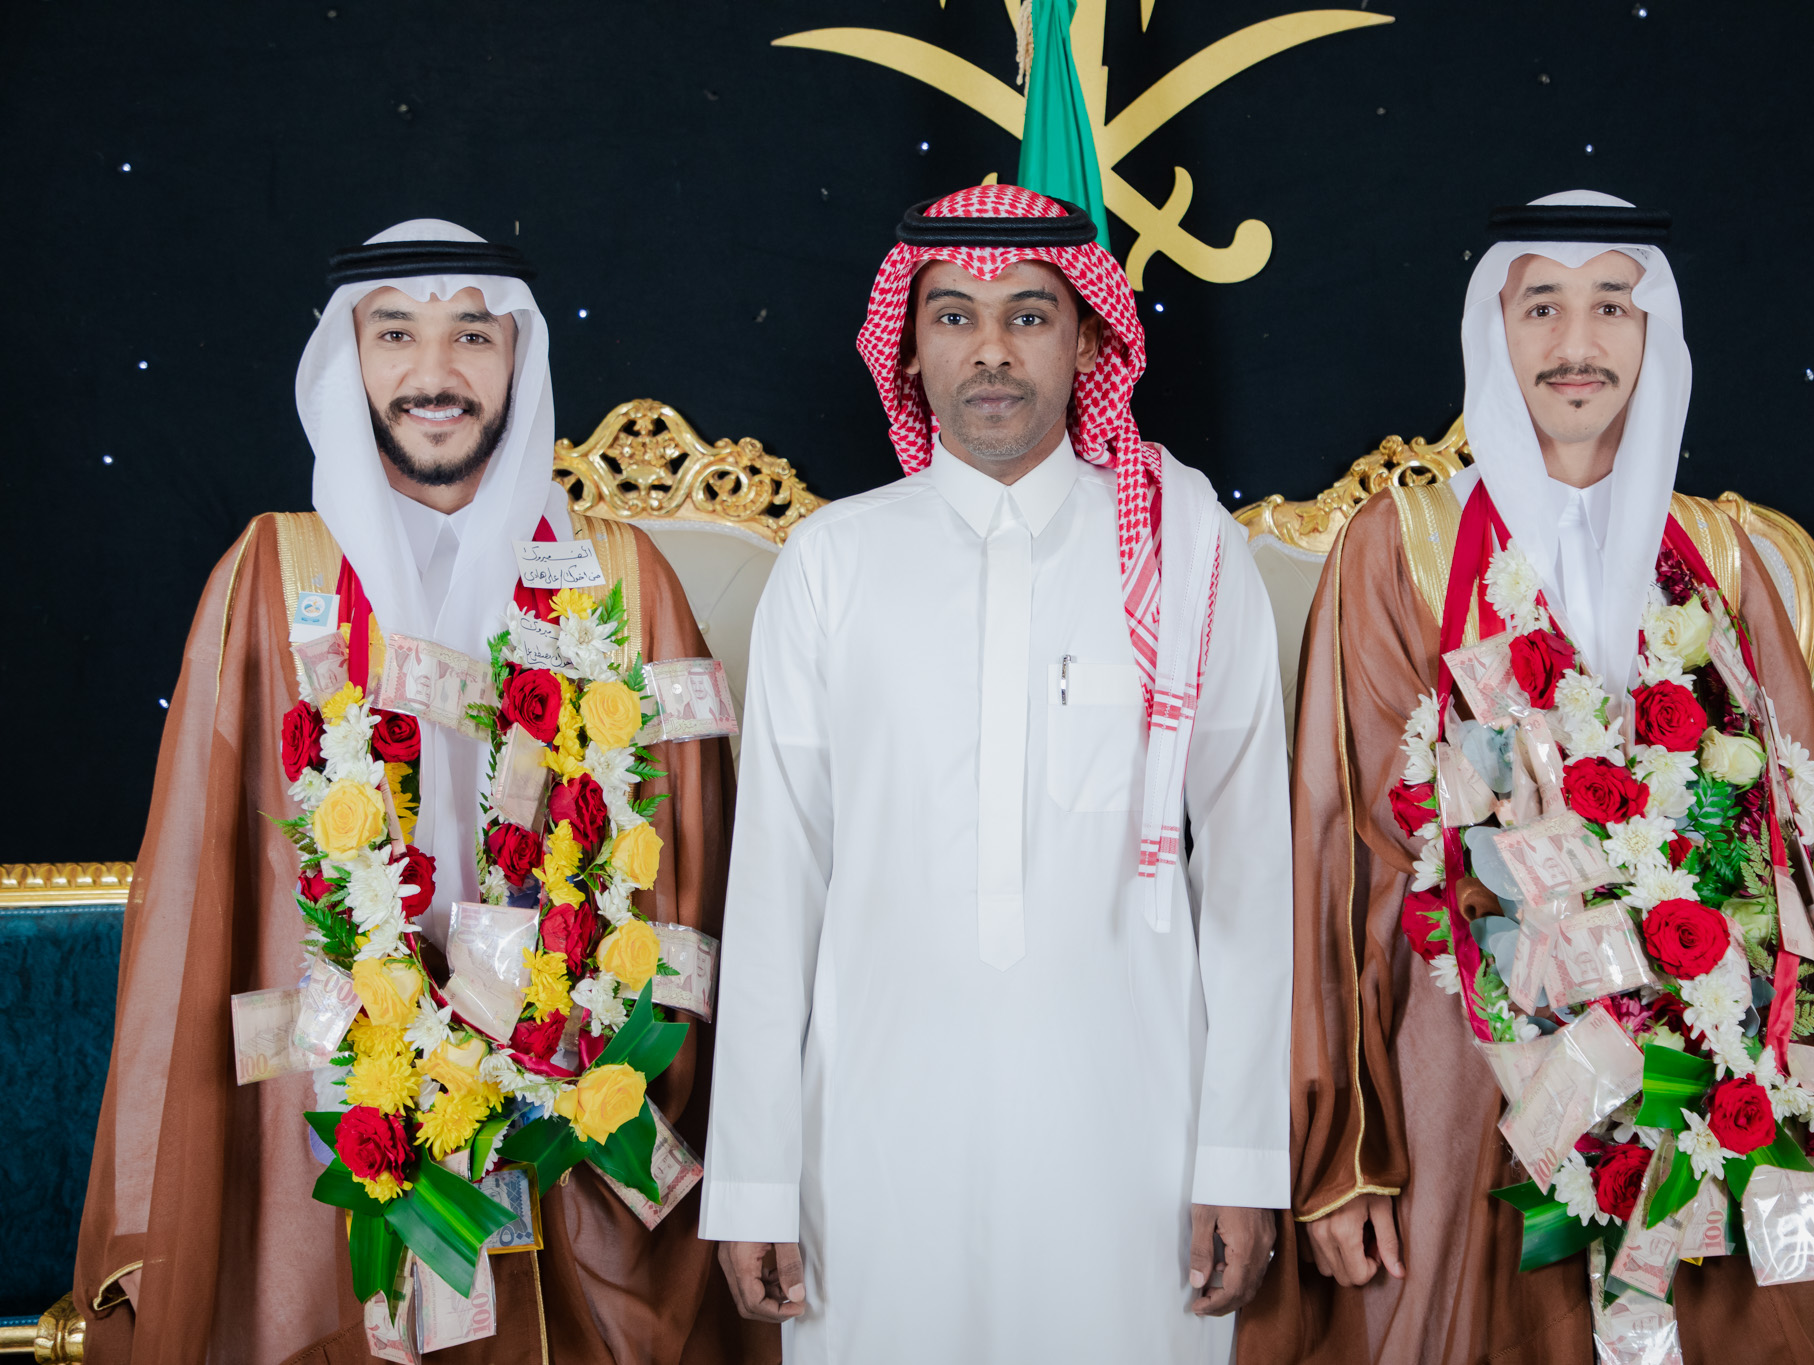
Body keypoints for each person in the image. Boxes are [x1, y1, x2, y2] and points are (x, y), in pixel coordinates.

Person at [72, 220, 774, 1364]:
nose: (434, 372)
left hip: (573, 1125)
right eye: (395, 334)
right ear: (346, 362)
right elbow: (207, 895)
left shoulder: (621, 576)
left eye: (472, 336)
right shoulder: (272, 577)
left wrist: (567, 1040)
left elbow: (697, 866)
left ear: (518, 357)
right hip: (328, 1111)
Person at [1239, 192, 1814, 1364]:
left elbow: (1802, 847)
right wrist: (1344, 1152)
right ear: (1491, 330)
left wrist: (1788, 1047)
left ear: (1653, 333)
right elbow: (1345, 856)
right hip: (1474, 1020)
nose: (1575, 342)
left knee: (1802, 1258)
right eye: (1540, 306)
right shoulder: (1403, 546)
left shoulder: (1720, 552)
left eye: (1611, 305)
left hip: (1718, 1021)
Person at [699, 185, 1294, 1364]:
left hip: (1132, 1134)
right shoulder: (831, 563)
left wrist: (1239, 1156)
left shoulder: (1185, 550)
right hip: (873, 1137)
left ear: (1088, 342)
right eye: (952, 317)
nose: (990, 351)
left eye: (1027, 315)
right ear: (907, 350)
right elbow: (775, 881)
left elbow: (1248, 870)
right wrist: (756, 1177)